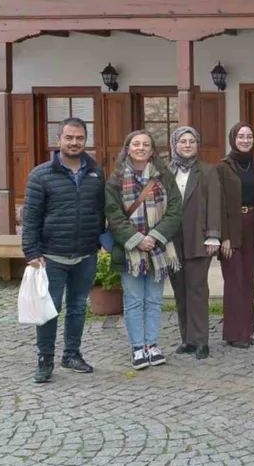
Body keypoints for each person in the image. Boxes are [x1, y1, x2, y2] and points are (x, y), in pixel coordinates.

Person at [21, 117, 107, 383]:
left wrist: (102, 244)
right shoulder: (40, 174)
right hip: (51, 257)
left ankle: (71, 354)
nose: (74, 142)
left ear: (86, 140)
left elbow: (101, 211)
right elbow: (31, 218)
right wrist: (32, 253)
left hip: (85, 254)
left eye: (79, 138)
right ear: (58, 140)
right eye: (69, 137)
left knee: (78, 307)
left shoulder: (95, 172)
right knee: (49, 310)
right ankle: (45, 359)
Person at [104, 130, 182, 371]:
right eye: (136, 144)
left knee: (155, 299)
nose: (140, 148)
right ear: (128, 148)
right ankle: (138, 347)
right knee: (134, 300)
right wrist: (137, 239)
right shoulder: (115, 179)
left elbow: (175, 209)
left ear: (152, 150)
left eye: (145, 144)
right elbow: (113, 215)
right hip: (131, 252)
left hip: (158, 248)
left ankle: (153, 345)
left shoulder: (164, 176)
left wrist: (155, 237)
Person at [166, 127, 221, 360]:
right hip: (172, 240)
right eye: (183, 141)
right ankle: (186, 339)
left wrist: (213, 235)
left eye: (192, 141)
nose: (187, 145)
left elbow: (215, 204)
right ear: (174, 144)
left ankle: (201, 341)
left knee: (197, 290)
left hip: (199, 239)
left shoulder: (207, 172)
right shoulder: (165, 171)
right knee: (180, 290)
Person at [217, 122, 254, 349]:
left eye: (249, 136)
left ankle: (246, 331)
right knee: (234, 282)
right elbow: (219, 205)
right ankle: (233, 333)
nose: (245, 140)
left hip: (253, 225)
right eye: (241, 136)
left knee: (248, 281)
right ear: (233, 139)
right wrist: (224, 237)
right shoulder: (223, 167)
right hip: (232, 227)